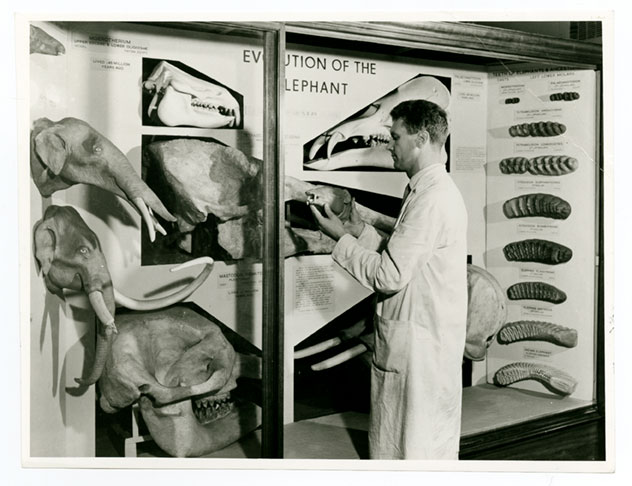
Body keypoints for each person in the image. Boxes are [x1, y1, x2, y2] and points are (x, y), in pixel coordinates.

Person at [309, 99, 468, 460]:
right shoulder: (425, 191)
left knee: (412, 452)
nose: (388, 146)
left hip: (419, 351)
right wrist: (358, 230)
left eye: (394, 137)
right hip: (420, 345)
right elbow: (407, 255)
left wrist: (341, 239)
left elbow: (390, 275)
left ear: (421, 138)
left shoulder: (432, 199)